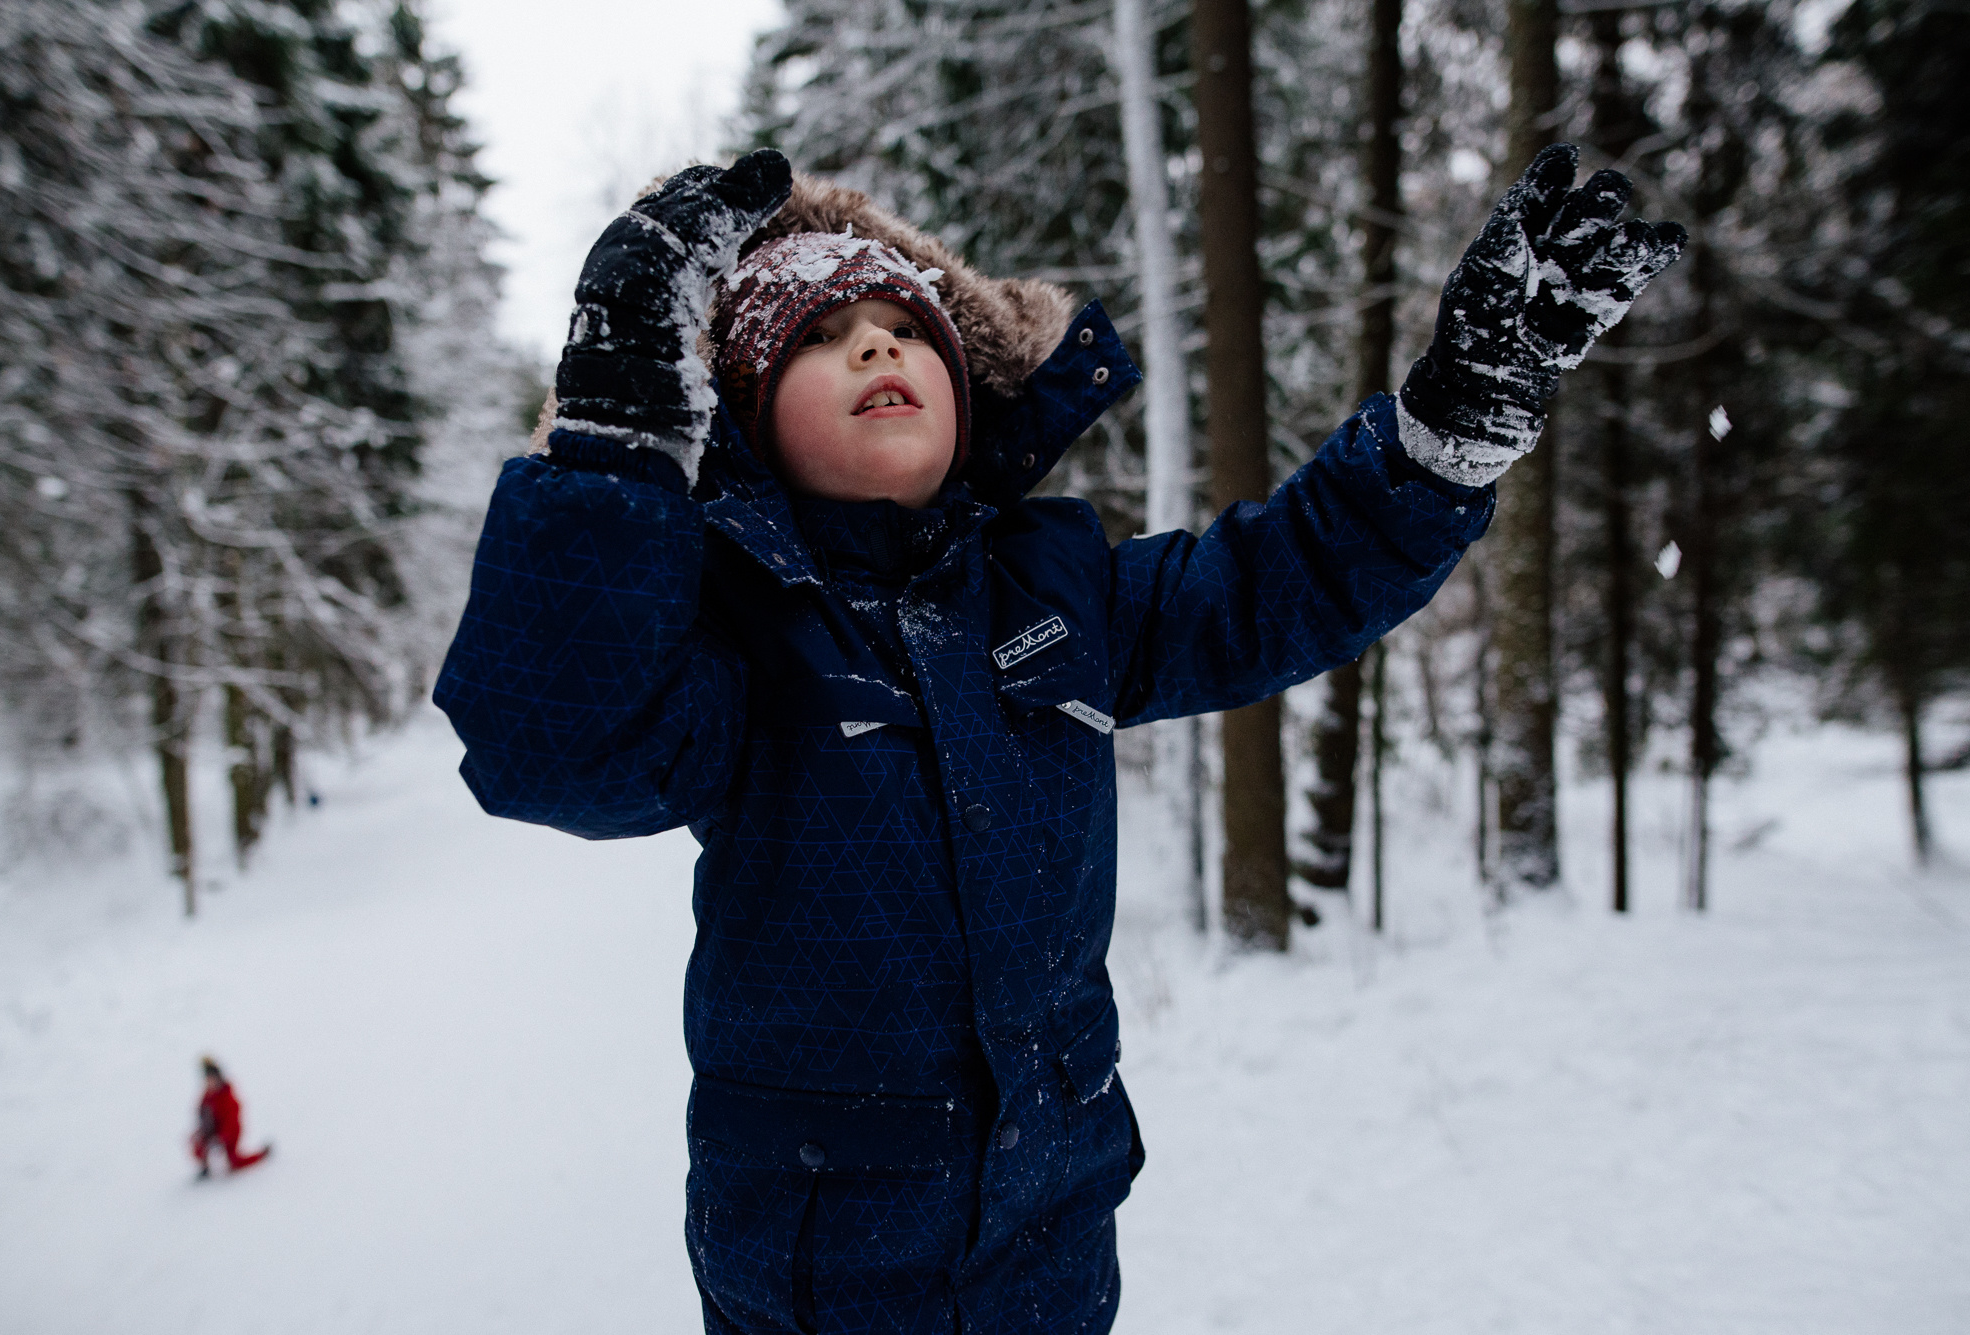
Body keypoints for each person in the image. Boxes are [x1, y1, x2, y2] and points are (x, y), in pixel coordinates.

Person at [434, 145, 1682, 1334]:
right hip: (822, 1270)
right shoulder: (734, 630)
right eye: (815, 336)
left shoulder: (1058, 588)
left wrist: (1446, 428)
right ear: (744, 426)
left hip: (1052, 1251)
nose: (874, 341)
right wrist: (617, 431)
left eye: (906, 325)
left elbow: (1275, 583)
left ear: (963, 390)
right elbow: (556, 749)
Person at [191, 1056, 271, 1178]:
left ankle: (261, 1154)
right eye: (208, 1080)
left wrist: (222, 1138)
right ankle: (206, 1167)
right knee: (199, 1145)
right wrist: (201, 1130)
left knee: (235, 1161)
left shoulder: (228, 1098)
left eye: (212, 1079)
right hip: (214, 1131)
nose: (210, 1083)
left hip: (230, 1133)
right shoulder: (207, 1096)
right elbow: (202, 1113)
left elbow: (232, 1123)